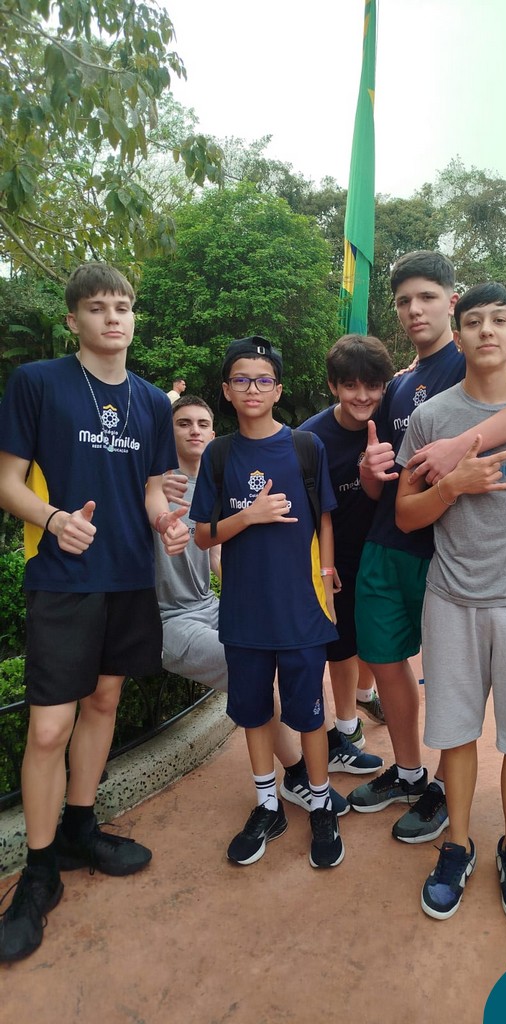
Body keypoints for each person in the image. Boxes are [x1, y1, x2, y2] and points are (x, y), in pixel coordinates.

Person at [347, 250, 506, 844]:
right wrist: (386, 474)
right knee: (422, 694)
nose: (414, 309)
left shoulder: (498, 363)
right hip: (425, 563)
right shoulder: (409, 388)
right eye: (404, 301)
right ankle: (420, 788)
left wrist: (461, 449)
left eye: (427, 297)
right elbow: (399, 492)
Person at [0, 263, 189, 963]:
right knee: (50, 727)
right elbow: (6, 481)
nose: (113, 318)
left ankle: (80, 828)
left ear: (134, 317)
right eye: (98, 307)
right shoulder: (38, 383)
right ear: (73, 320)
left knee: (105, 701)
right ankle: (39, 870)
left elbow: (149, 489)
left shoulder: (152, 402)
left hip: (128, 576)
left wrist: (165, 520)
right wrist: (54, 520)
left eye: (123, 307)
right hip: (63, 577)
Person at [396, 282, 506, 922]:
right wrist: (453, 486)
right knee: (456, 733)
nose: (486, 330)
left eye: (499, 320)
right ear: (458, 334)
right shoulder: (431, 418)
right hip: (452, 599)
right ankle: (458, 845)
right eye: (473, 321)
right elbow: (406, 516)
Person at [189, 336, 344, 869]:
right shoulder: (219, 454)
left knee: (310, 715)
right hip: (245, 614)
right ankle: (267, 805)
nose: (251, 388)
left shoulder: (305, 447)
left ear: (277, 389)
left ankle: (320, 804)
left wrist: (327, 575)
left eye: (262, 380)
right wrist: (249, 516)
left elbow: (325, 518)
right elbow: (203, 535)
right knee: (253, 713)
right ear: (226, 390)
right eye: (241, 379)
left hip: (302, 611)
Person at [155, 395, 349, 816]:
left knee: (294, 664)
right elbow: (201, 535)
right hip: (169, 616)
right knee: (247, 671)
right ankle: (296, 773)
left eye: (202, 424)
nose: (194, 431)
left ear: (213, 432)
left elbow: (216, 555)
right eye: (183, 423)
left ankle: (325, 746)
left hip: (215, 603)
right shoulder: (155, 486)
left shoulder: (220, 471)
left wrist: (285, 591)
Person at [300, 334, 394, 759]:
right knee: (341, 647)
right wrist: (321, 563)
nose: (362, 396)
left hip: (380, 551)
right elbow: (303, 510)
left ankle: (364, 693)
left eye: (372, 385)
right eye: (350, 385)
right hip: (334, 559)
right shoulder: (310, 439)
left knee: (375, 639)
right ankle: (346, 730)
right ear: (333, 385)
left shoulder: (392, 419)